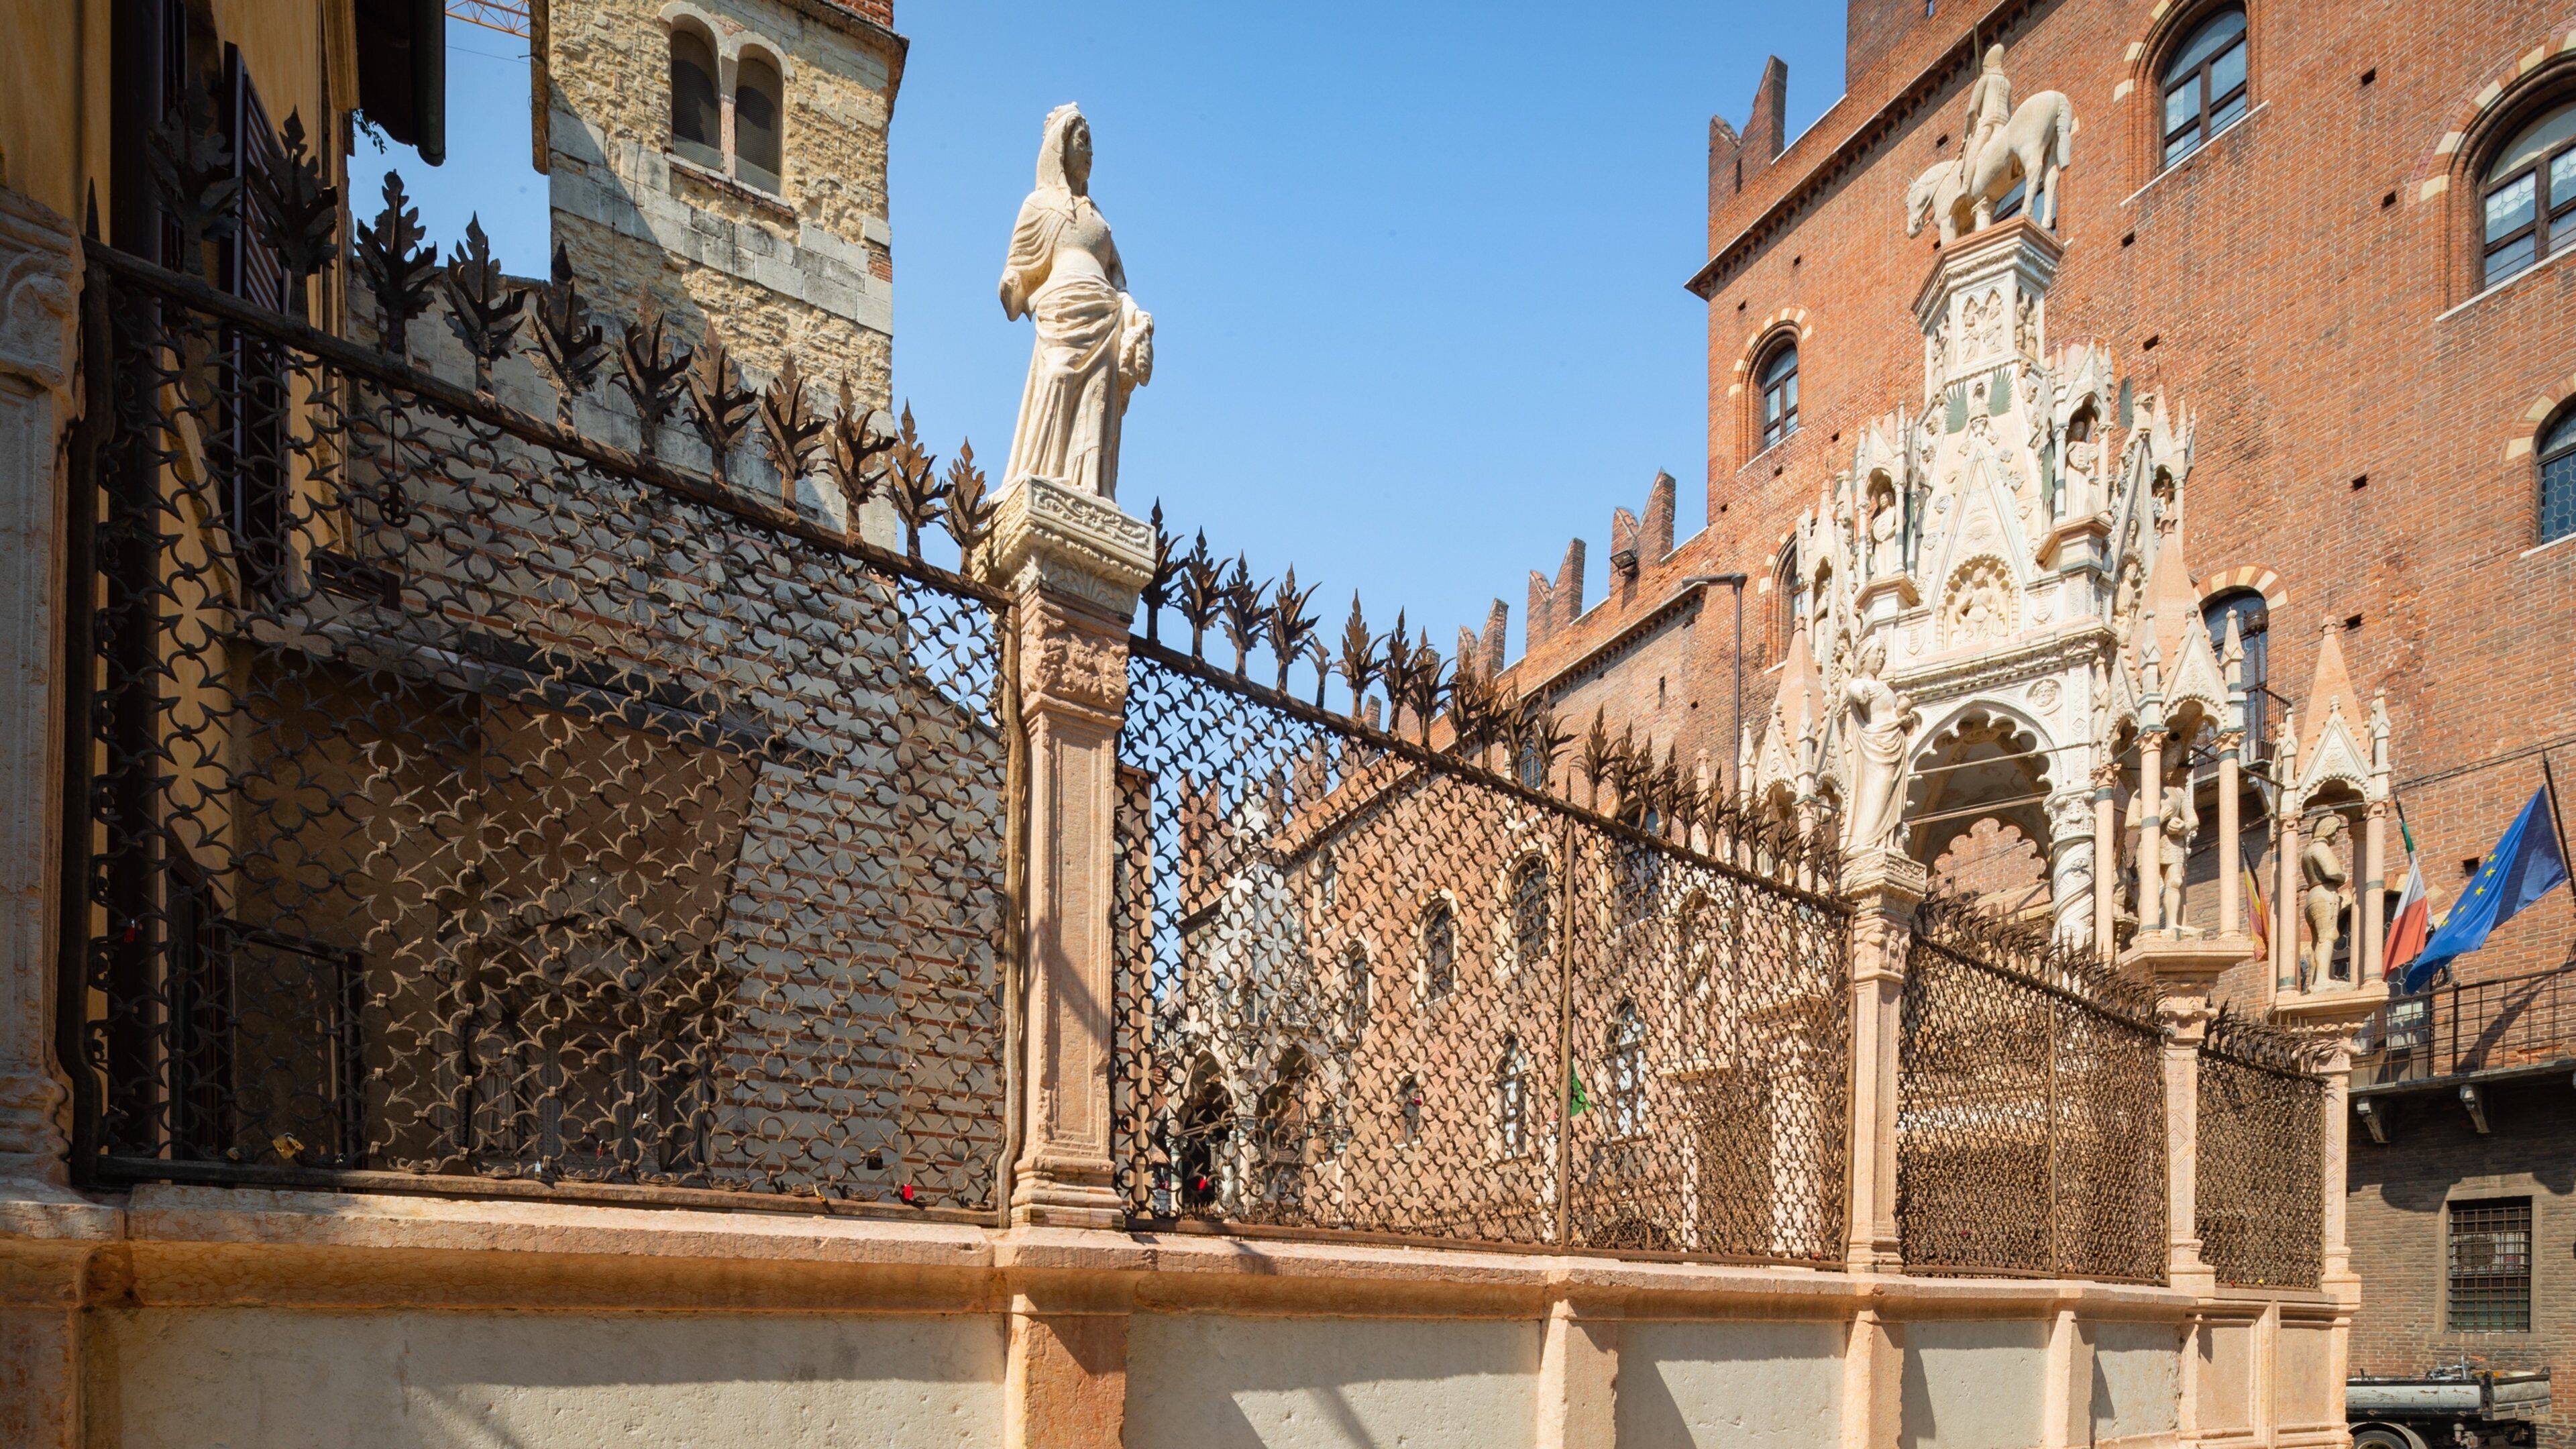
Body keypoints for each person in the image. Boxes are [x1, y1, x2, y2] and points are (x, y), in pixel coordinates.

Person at [998, 104, 1154, 500]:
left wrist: (1138, 318)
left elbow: (1119, 283)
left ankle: (1088, 488)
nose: (1089, 153)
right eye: (1082, 142)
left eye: (1092, 146)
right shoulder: (1038, 205)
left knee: (1097, 400)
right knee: (1058, 376)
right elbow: (1017, 272)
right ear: (1060, 148)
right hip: (1062, 308)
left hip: (1105, 313)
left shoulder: (1097, 219)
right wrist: (1013, 286)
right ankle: (1042, 473)